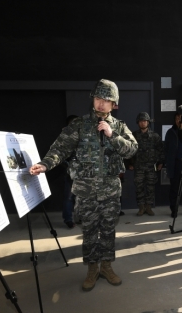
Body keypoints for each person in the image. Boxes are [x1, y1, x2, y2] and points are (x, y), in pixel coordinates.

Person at [29, 79, 138, 292]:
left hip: (110, 192)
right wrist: (45, 164)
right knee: (89, 232)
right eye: (98, 98)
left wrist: (111, 135)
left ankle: (106, 267)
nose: (101, 104)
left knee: (108, 231)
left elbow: (132, 150)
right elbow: (60, 149)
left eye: (106, 100)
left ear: (114, 103)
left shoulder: (119, 126)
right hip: (86, 192)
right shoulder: (79, 125)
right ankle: (91, 269)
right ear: (93, 99)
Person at [127, 112, 164, 216]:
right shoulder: (133, 136)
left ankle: (149, 207)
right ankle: (141, 207)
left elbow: (161, 150)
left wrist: (160, 162)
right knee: (139, 188)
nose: (143, 123)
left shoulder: (155, 136)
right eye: (141, 121)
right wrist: (130, 163)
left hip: (151, 166)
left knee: (151, 187)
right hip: (138, 166)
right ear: (138, 123)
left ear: (148, 122)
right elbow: (129, 151)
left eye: (145, 121)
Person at [62, 114, 79, 228]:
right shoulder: (64, 137)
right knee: (69, 196)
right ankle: (68, 219)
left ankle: (80, 218)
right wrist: (68, 164)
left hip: (84, 173)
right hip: (70, 172)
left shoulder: (85, 137)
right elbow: (59, 154)